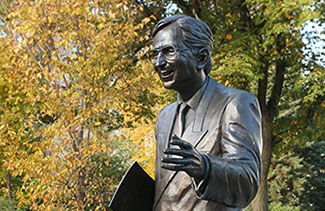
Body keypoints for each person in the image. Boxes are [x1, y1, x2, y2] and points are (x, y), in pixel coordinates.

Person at [151, 15, 262, 211]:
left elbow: (248, 182)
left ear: (201, 58)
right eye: (155, 54)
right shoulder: (164, 117)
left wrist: (204, 167)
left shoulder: (235, 104)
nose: (159, 63)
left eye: (169, 51)